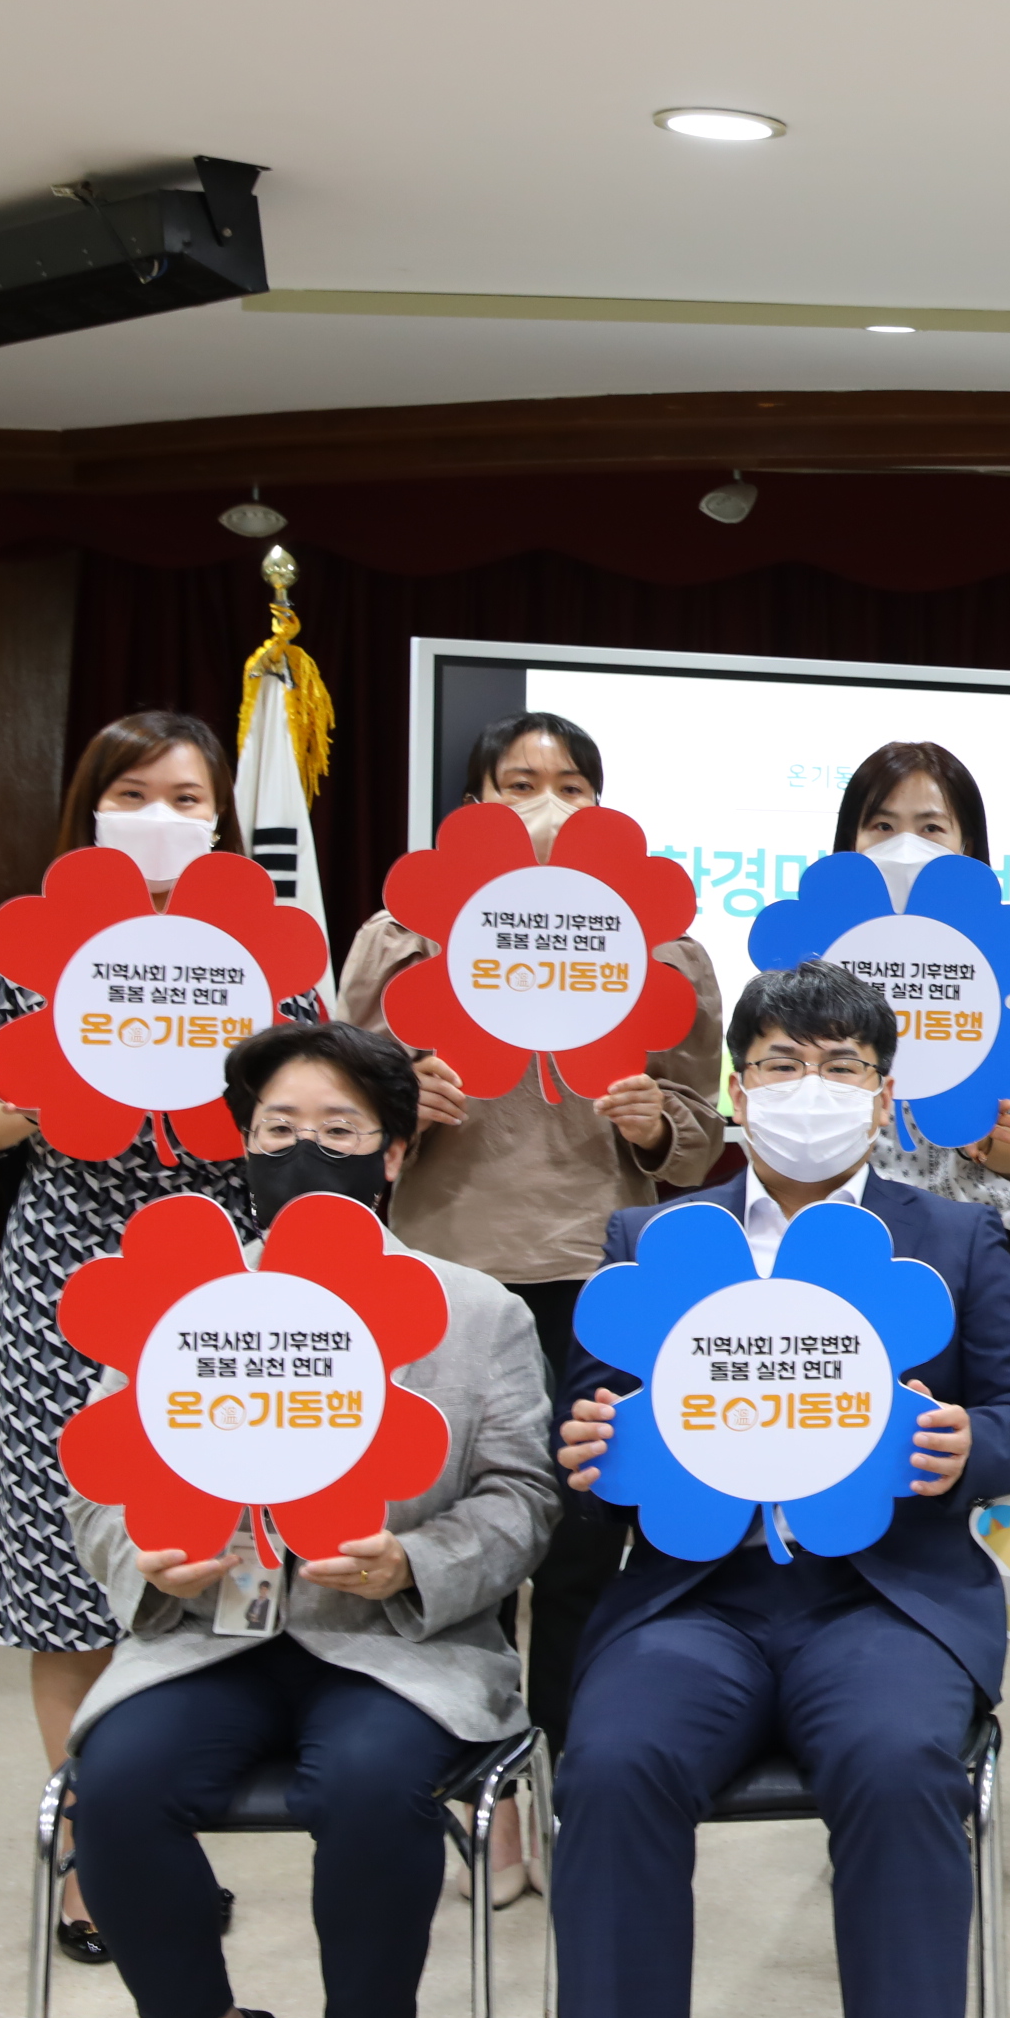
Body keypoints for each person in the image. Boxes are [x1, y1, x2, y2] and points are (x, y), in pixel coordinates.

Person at [551, 960, 1010, 2018]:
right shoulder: (653, 1235)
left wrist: (972, 1441)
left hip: (886, 1601)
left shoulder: (954, 1235)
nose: (810, 1087)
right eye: (782, 1063)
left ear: (885, 1097)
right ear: (737, 1090)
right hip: (697, 1599)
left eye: (842, 1066)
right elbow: (587, 1426)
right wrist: (586, 1444)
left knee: (899, 1764)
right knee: (611, 1765)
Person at [62, 1022, 558, 2018]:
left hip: (397, 1644)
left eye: (340, 1129)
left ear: (393, 1152)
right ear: (243, 1144)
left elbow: (523, 1497)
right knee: (117, 1790)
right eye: (278, 1127)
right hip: (207, 1631)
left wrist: (415, 1562)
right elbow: (96, 1477)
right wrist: (145, 1554)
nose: (305, 1150)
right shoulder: (179, 1298)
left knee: (373, 1789)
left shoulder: (476, 1310)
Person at [0, 709, 325, 1964]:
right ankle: (89, 1863)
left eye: (187, 796)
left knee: (217, 1559)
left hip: (226, 1285)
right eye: (134, 792)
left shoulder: (269, 949)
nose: (160, 815)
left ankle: (172, 1824)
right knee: (67, 1581)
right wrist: (22, 1109)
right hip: (68, 1285)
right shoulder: (27, 943)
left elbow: (317, 1107)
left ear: (222, 817)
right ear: (90, 806)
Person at [339, 710, 726, 1886]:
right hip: (445, 1271)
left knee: (578, 1544)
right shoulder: (404, 933)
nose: (544, 803)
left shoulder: (661, 944)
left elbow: (699, 1129)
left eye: (569, 783)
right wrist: (400, 1099)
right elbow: (339, 1111)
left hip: (595, 1268)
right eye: (517, 781)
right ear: (473, 804)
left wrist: (656, 1124)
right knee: (453, 1535)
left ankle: (561, 1777)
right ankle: (474, 1785)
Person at [828, 741, 1010, 1235]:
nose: (905, 845)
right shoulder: (811, 966)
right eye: (882, 826)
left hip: (969, 1232)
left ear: (965, 844)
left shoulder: (999, 970)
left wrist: (986, 1137)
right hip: (840, 1226)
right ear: (851, 840)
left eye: (931, 828)